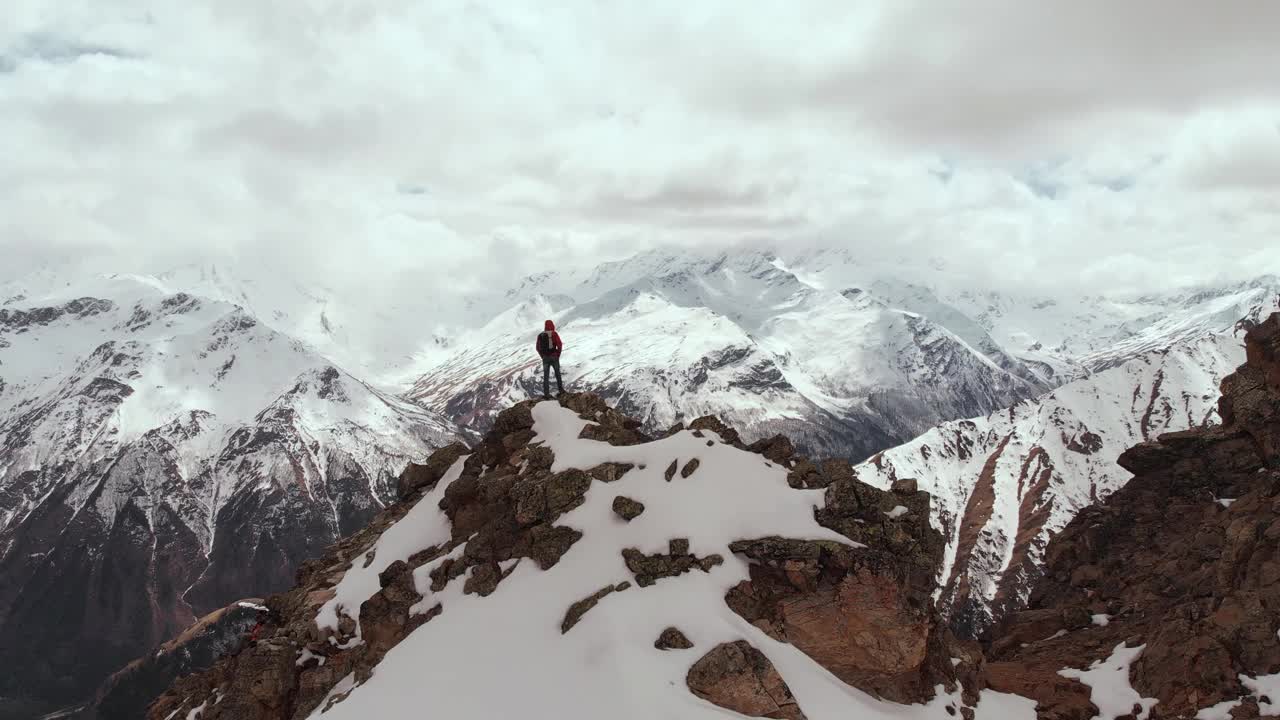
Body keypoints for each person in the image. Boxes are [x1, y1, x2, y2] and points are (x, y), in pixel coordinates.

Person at [536, 319, 564, 399]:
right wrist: (557, 354)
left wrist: (543, 356)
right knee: (557, 374)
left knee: (546, 376)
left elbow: (537, 348)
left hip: (545, 358)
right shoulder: (554, 334)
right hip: (554, 356)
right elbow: (559, 344)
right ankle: (561, 390)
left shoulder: (540, 335)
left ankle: (546, 394)